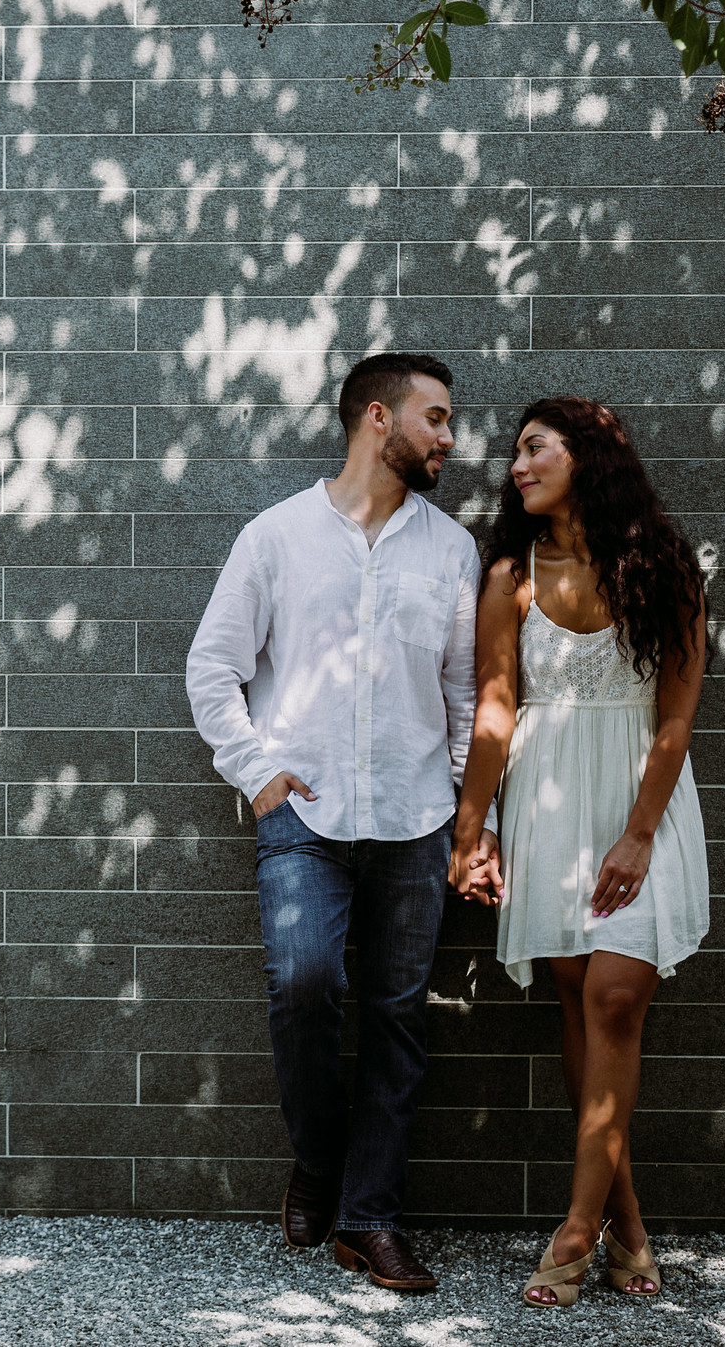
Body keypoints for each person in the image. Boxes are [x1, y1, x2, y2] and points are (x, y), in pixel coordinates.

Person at [187, 352, 498, 1291]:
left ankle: (371, 1215)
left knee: (399, 1017)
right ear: (377, 418)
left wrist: (459, 817)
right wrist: (258, 771)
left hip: (413, 820)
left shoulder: (450, 550)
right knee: (307, 987)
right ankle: (320, 1158)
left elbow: (461, 692)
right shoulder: (277, 537)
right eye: (435, 418)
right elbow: (213, 667)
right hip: (304, 818)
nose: (450, 437)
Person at [449, 396, 710, 1308]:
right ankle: (628, 1224)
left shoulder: (666, 568)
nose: (516, 466)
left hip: (640, 802)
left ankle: (572, 1229)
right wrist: (472, 824)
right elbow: (493, 707)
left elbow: (677, 715)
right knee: (577, 997)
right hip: (546, 803)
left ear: (590, 456)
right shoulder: (511, 576)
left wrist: (639, 831)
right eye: (514, 455)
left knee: (613, 995)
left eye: (534, 448)